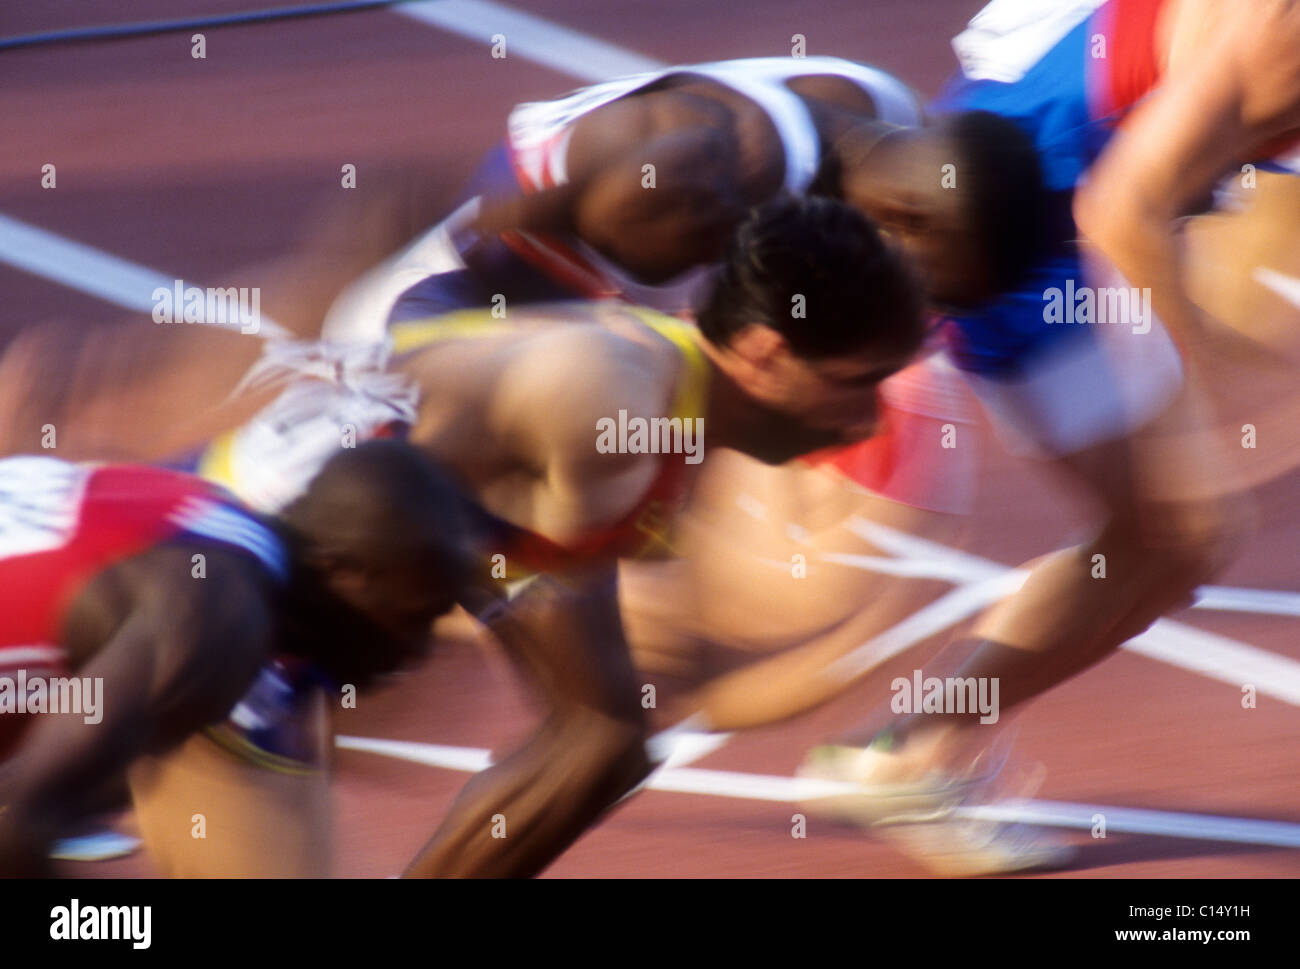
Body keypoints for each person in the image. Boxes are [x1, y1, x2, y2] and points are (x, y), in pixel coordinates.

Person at [201, 195, 930, 877]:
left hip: (283, 565)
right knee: (598, 733)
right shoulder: (612, 410)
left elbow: (619, 691)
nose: (868, 420)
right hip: (229, 588)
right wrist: (847, 639)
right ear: (765, 354)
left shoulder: (666, 395)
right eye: (857, 381)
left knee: (607, 740)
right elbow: (660, 664)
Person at [0, 440, 468, 875]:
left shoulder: (210, 511)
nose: (421, 649)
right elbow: (21, 820)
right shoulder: (218, 623)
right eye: (415, 617)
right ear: (338, 569)